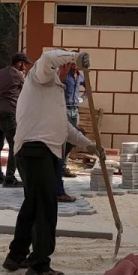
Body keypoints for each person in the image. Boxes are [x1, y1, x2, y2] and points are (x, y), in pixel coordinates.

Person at [5, 50, 98, 275]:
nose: (70, 69)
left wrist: (90, 146)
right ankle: (39, 265)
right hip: (37, 151)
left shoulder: (54, 90)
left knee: (32, 205)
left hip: (35, 151)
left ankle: (16, 256)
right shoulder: (41, 77)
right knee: (46, 208)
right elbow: (46, 57)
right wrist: (75, 56)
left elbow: (64, 128)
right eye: (68, 65)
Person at [0, 52, 31, 186]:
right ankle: (10, 178)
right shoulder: (18, 75)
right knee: (14, 146)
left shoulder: (0, 73)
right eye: (24, 64)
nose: (25, 67)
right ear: (19, 63)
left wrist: (2, 92)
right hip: (10, 113)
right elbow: (27, 90)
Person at [57, 66, 84, 201]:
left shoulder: (80, 75)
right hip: (65, 108)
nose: (74, 65)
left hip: (75, 109)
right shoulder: (63, 75)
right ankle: (60, 166)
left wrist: (82, 98)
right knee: (64, 139)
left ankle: (63, 165)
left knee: (73, 137)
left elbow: (88, 89)